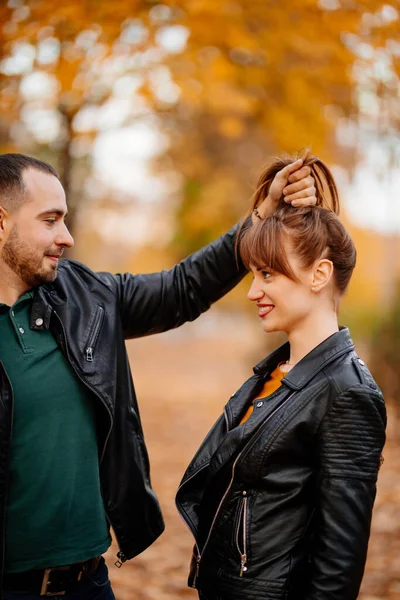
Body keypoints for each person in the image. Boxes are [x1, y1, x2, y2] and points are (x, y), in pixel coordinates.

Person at [0, 153, 315, 599]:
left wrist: (262, 213)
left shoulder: (87, 297)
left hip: (88, 582)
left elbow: (184, 287)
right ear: (1, 222)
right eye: (50, 221)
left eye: (65, 220)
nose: (66, 237)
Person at [176, 153, 387, 600]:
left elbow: (338, 568)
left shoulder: (348, 393)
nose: (253, 291)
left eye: (268, 274)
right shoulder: (273, 372)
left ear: (320, 274)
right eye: (254, 274)